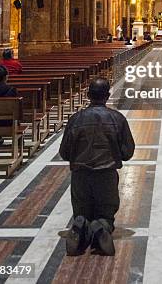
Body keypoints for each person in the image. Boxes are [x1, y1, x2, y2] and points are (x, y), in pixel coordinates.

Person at [59, 79, 135, 257]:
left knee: (82, 209)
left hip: (80, 175)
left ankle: (80, 224)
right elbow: (128, 152)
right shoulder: (117, 119)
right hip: (106, 174)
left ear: (88, 96)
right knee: (105, 212)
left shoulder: (76, 119)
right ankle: (102, 226)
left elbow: (64, 152)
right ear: (107, 96)